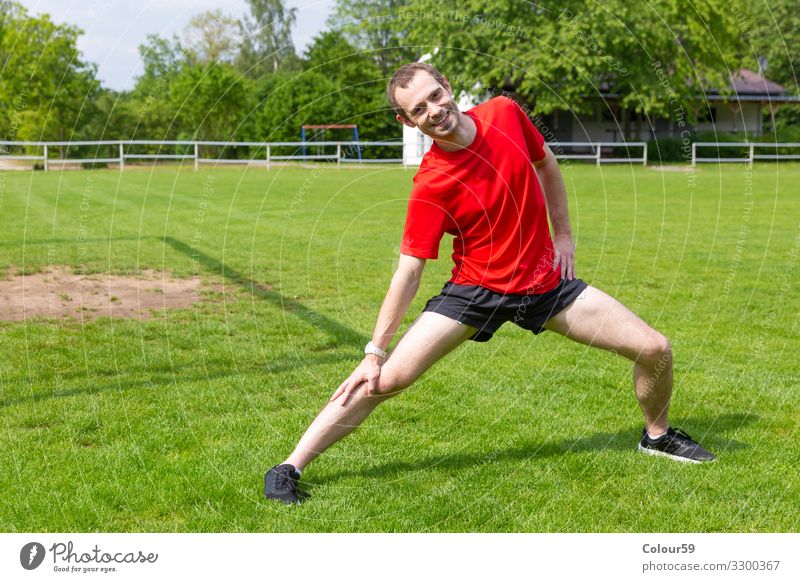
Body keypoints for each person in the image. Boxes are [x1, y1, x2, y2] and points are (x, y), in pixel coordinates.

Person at [264, 62, 715, 505]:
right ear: (407, 121)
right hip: (475, 291)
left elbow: (547, 164)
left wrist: (563, 235)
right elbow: (410, 269)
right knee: (385, 380)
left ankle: (657, 437)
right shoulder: (431, 183)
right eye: (419, 110)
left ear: (447, 85)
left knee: (655, 348)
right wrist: (373, 353)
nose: (434, 111)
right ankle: (289, 466)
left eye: (435, 96)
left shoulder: (504, 112)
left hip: (544, 284)